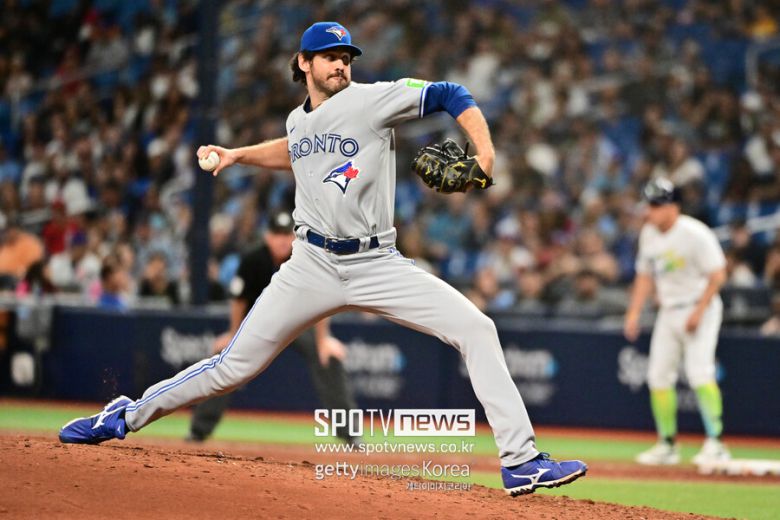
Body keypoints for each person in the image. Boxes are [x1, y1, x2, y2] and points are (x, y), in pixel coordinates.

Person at [59, 21, 586, 496]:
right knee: (233, 368)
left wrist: (484, 155)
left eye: (346, 57)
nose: (341, 64)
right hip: (310, 264)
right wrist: (238, 155)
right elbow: (294, 149)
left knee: (477, 328)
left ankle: (520, 461)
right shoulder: (298, 121)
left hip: (376, 262)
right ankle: (125, 415)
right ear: (303, 63)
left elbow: (451, 93)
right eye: (330, 56)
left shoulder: (372, 100)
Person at [188, 209, 360, 445]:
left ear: (294, 237)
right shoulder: (252, 260)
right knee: (225, 358)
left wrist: (323, 340)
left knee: (329, 358)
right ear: (267, 236)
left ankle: (350, 434)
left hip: (298, 323)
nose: (281, 240)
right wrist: (232, 335)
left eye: (286, 234)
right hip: (258, 324)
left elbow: (322, 300)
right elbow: (239, 301)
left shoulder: (307, 260)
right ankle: (198, 430)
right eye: (276, 234)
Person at [624, 177, 730, 466]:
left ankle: (716, 443)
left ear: (674, 207)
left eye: (657, 205)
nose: (650, 211)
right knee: (658, 376)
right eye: (649, 205)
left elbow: (718, 274)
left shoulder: (695, 233)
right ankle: (667, 444)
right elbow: (644, 276)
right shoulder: (649, 234)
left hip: (700, 307)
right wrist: (633, 313)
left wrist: (699, 310)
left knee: (700, 373)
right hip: (669, 311)